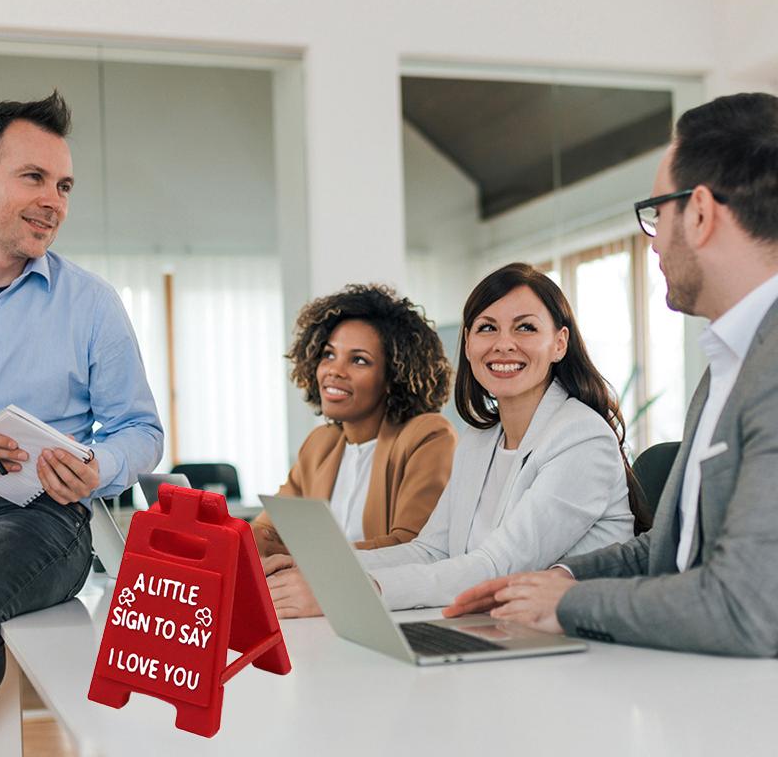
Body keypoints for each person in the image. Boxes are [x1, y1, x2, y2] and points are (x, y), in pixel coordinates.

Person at [446, 93, 778, 658]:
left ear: (698, 213)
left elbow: (746, 606)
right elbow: (663, 554)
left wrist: (567, 607)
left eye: (656, 215)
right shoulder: (728, 363)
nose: (653, 245)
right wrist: (560, 580)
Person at [276, 263, 643, 616]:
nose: (504, 344)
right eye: (487, 328)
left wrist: (345, 590)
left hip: (578, 647)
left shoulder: (581, 437)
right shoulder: (480, 439)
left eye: (525, 328)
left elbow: (496, 566)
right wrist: (321, 565)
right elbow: (432, 549)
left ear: (559, 344)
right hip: (498, 628)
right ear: (468, 344)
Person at [0, 91, 164, 711]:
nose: (53, 200)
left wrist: (97, 467)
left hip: (40, 515)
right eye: (34, 177)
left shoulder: (91, 304)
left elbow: (141, 429)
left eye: (64, 185)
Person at [253, 285, 456, 615]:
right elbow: (267, 530)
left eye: (359, 360)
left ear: (393, 376)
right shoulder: (320, 444)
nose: (334, 370)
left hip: (387, 612)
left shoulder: (428, 435)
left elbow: (411, 546)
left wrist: (302, 562)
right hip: (313, 609)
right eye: (329, 354)